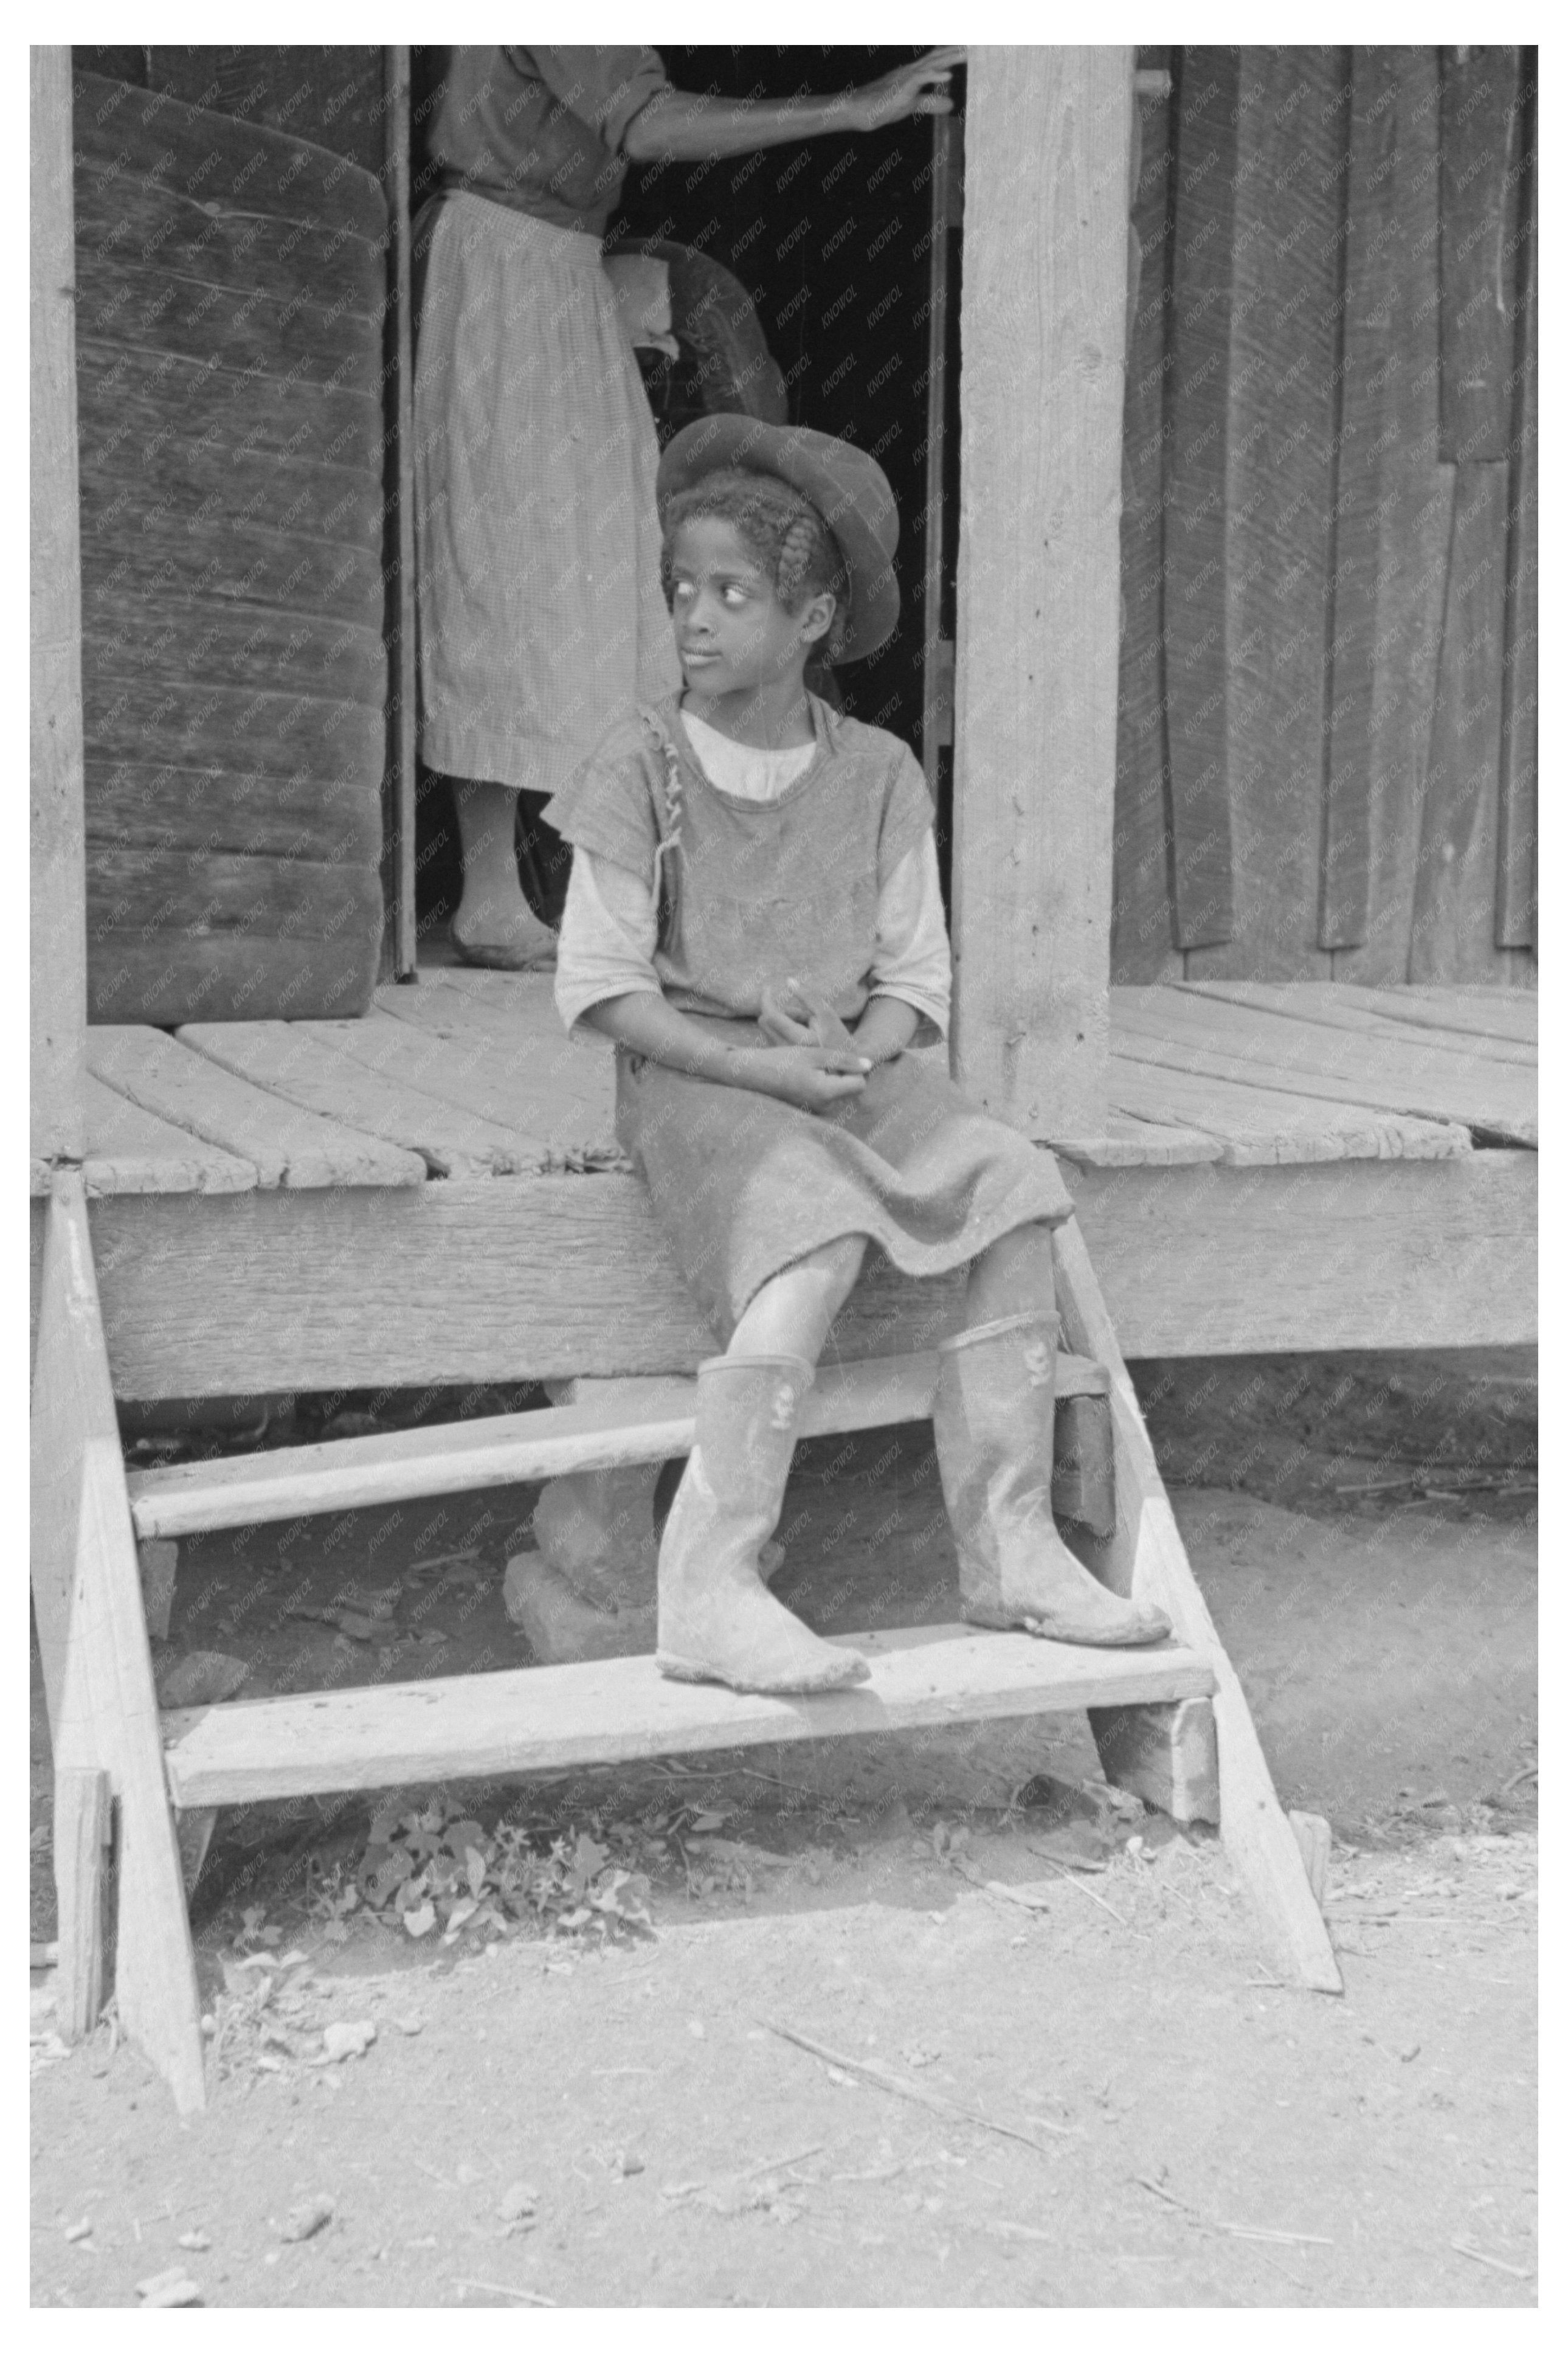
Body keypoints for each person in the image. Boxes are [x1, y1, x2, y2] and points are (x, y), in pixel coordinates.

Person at [544, 419, 1173, 1694]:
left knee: (1005, 1178)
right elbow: (602, 989)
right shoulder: (642, 764)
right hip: (697, 1078)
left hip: (839, 1063)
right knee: (814, 1217)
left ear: (814, 615)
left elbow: (916, 982)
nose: (698, 620)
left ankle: (1012, 1548)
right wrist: (767, 1074)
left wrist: (860, 1045)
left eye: (734, 594)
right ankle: (711, 1584)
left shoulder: (878, 773)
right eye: (684, 591)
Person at [415, 44, 962, 966]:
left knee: (606, 583)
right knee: (509, 565)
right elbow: (649, 123)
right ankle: (490, 894)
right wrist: (853, 108)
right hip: (506, 266)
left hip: (555, 263)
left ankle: (602, 887)